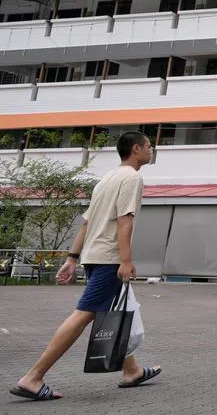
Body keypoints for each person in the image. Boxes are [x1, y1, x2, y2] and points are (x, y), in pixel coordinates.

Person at [10, 131, 162, 402]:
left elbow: (87, 223)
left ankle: (132, 370)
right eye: (149, 146)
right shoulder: (132, 177)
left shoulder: (106, 179)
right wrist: (126, 260)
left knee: (115, 311)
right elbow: (124, 220)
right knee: (84, 314)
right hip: (109, 259)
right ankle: (33, 377)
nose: (153, 150)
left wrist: (72, 258)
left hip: (94, 256)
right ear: (136, 149)